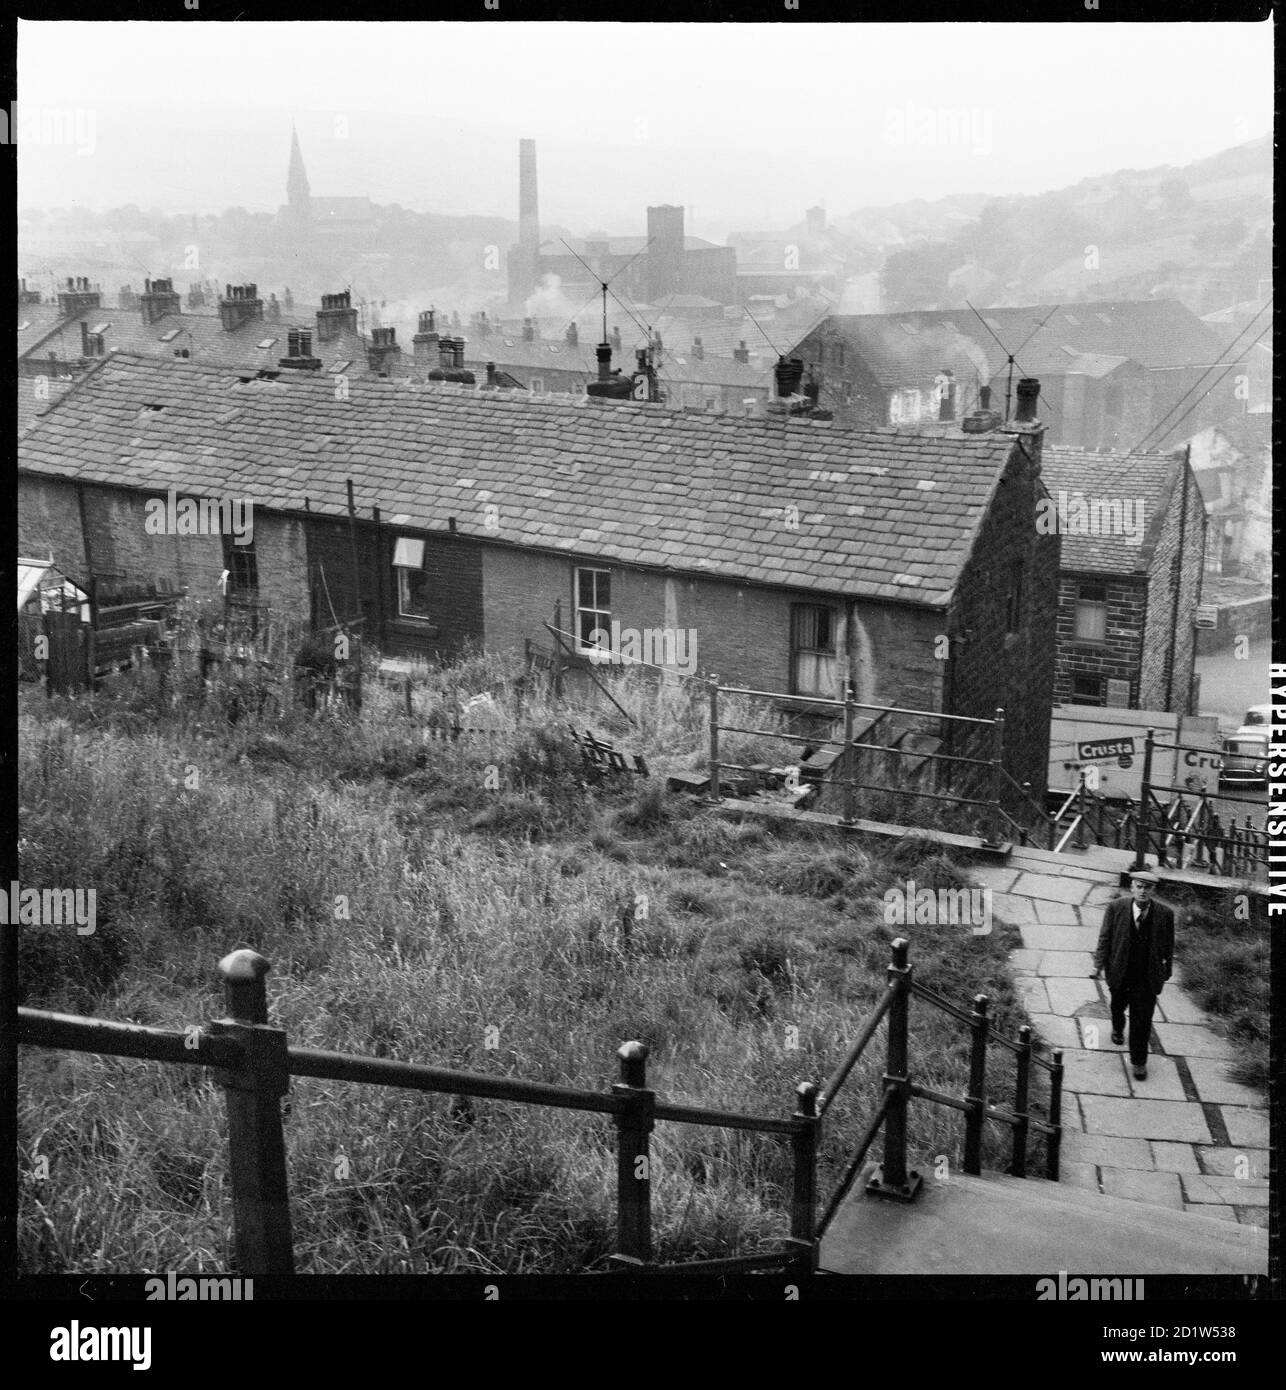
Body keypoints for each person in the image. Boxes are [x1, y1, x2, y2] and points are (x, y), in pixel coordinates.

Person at [1092, 870, 1175, 1080]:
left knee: (1142, 1020)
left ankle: (1139, 1061)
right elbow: (1105, 938)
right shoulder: (1116, 908)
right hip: (1120, 972)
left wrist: (1166, 971)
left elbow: (1168, 945)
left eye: (1148, 887)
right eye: (1139, 886)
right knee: (1117, 1006)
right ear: (1132, 887)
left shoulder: (1165, 914)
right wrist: (1097, 965)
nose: (1143, 891)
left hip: (1146, 978)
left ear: (1153, 890)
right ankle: (1118, 1028)